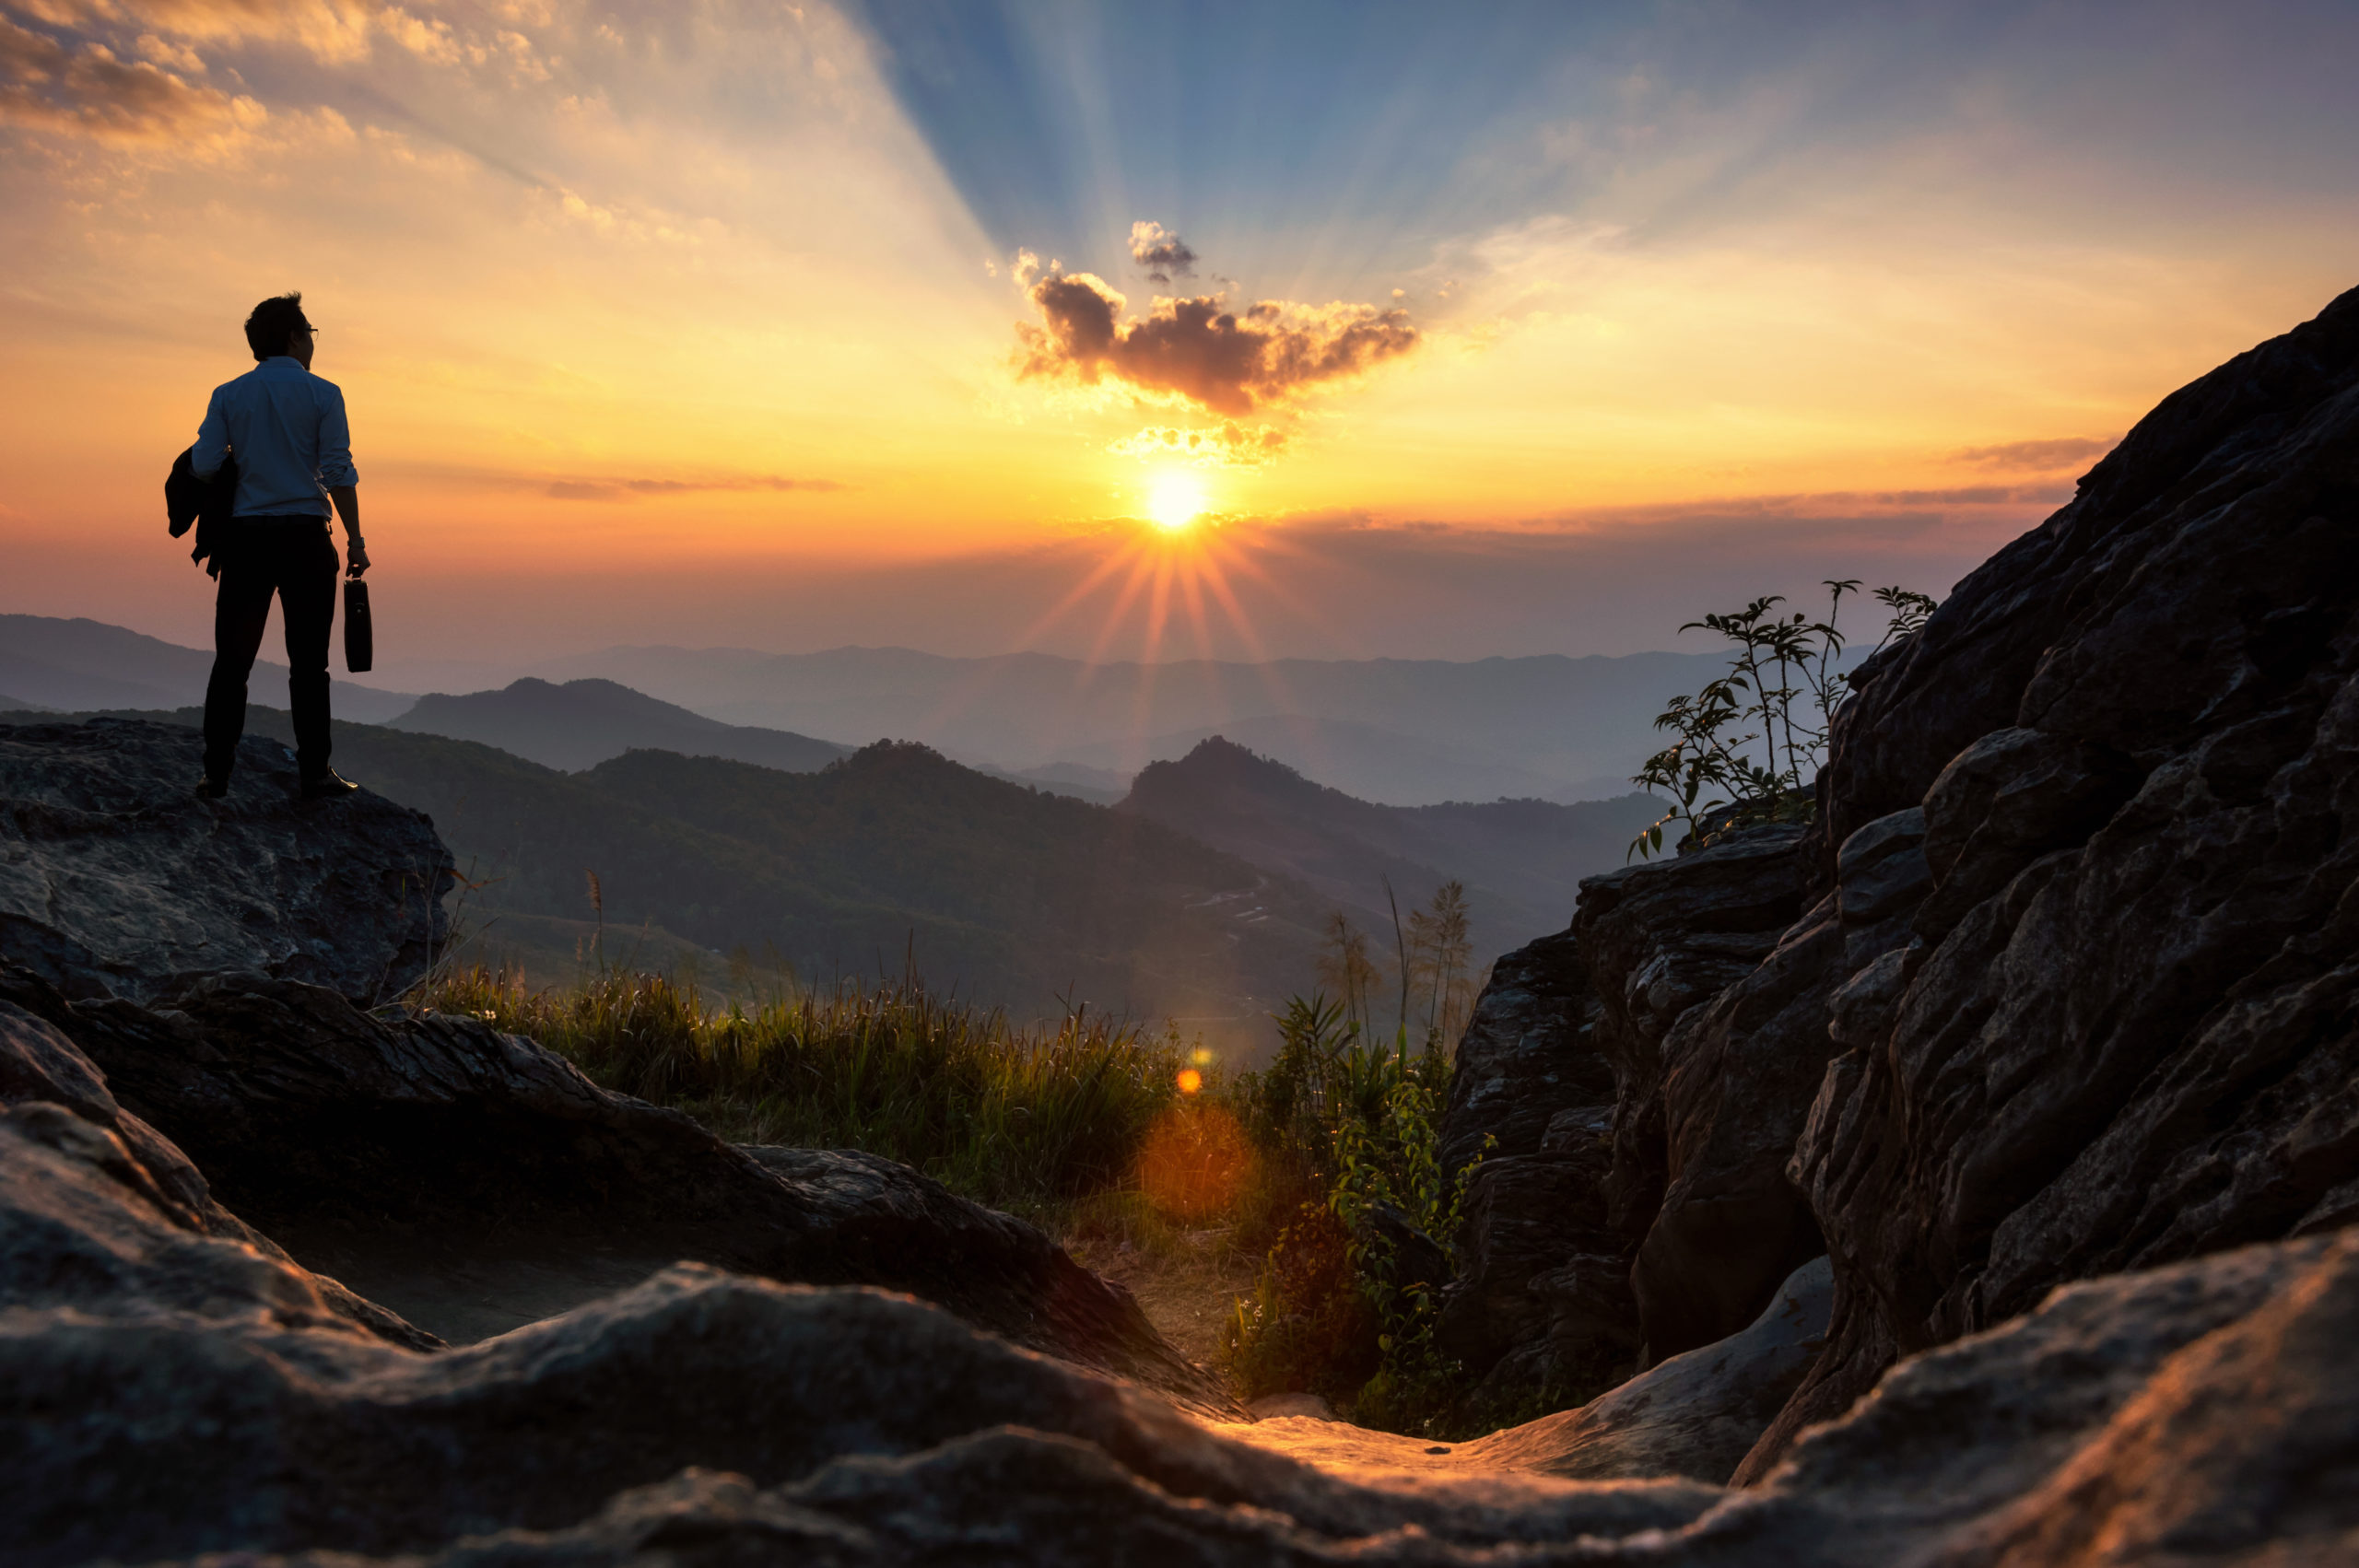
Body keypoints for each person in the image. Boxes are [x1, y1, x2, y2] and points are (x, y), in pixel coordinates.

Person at [189, 292, 369, 799]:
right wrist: (355, 539)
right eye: (309, 332)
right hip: (306, 537)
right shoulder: (324, 394)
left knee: (233, 660)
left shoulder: (228, 395)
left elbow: (203, 465)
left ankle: (216, 773)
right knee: (310, 662)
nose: (312, 341)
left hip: (246, 539)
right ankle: (314, 772)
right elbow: (337, 470)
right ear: (294, 336)